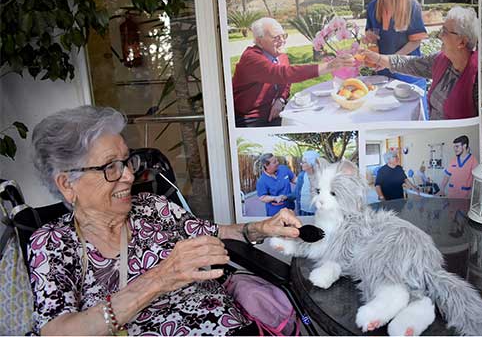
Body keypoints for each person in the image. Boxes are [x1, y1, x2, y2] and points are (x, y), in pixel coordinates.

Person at [28, 106, 303, 335]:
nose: (128, 176)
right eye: (110, 166)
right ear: (67, 184)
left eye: (127, 161)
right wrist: (161, 277)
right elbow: (57, 331)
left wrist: (261, 227)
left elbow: (217, 233)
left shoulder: (153, 206)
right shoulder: (52, 242)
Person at [360, 6, 480, 120]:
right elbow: (409, 64)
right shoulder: (441, 60)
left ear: (462, 42)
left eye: (445, 32)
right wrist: (377, 58)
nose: (439, 35)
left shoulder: (478, 78)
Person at [232, 17, 354, 127]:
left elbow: (286, 82)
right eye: (276, 37)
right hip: (250, 119)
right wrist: (328, 66)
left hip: (277, 113)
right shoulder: (251, 58)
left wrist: (280, 99)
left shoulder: (280, 55)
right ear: (259, 41)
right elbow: (282, 74)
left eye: (283, 36)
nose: (282, 41)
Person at [363, 0, 428, 84]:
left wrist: (391, 61)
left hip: (408, 76)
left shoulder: (411, 6)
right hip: (382, 75)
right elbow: (371, 32)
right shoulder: (373, 6)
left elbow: (415, 41)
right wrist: (370, 37)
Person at [295, 150, 320, 216]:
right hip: (304, 210)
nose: (301, 164)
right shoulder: (302, 175)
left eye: (304, 162)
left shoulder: (321, 176)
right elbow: (297, 193)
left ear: (311, 163)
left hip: (317, 212)